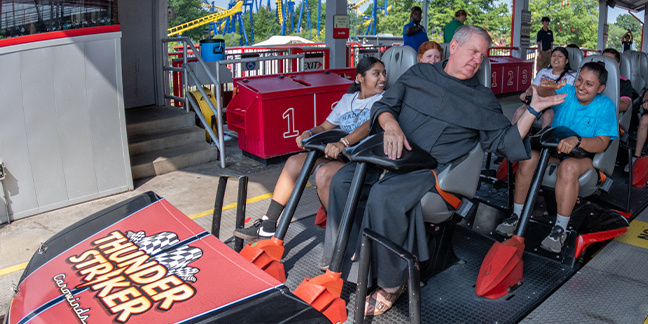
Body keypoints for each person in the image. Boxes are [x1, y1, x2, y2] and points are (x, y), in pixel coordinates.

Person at [323, 25, 566, 315]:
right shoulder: (418, 74)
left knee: (383, 196)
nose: (478, 59)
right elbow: (385, 106)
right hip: (389, 156)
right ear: (453, 48)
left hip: (430, 170)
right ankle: (351, 261)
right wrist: (391, 125)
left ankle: (391, 282)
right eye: (473, 51)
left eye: (482, 55)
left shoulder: (482, 97)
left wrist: (534, 110)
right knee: (342, 181)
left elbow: (505, 143)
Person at [233, 57, 386, 241]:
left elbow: (370, 125)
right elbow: (324, 127)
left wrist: (343, 142)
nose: (382, 78)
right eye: (376, 74)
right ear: (360, 78)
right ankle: (268, 225)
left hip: (362, 160)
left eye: (384, 74)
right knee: (294, 162)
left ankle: (343, 236)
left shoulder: (383, 100)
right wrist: (308, 133)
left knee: (324, 174)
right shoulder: (347, 100)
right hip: (341, 155)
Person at [496, 62, 618, 253]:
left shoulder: (605, 105)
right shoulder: (568, 92)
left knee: (568, 167)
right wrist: (539, 91)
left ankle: (560, 230)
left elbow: (602, 143)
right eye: (579, 80)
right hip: (555, 151)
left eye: (589, 84)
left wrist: (577, 140)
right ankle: (517, 216)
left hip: (584, 159)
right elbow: (548, 94)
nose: (581, 86)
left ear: (600, 88)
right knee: (528, 158)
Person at [511, 47, 577, 128]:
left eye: (560, 56)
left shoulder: (572, 75)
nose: (556, 58)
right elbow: (532, 87)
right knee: (520, 111)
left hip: (555, 106)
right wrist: (527, 93)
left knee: (548, 116)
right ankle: (511, 138)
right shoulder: (543, 72)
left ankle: (543, 140)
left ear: (566, 61)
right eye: (553, 56)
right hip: (537, 102)